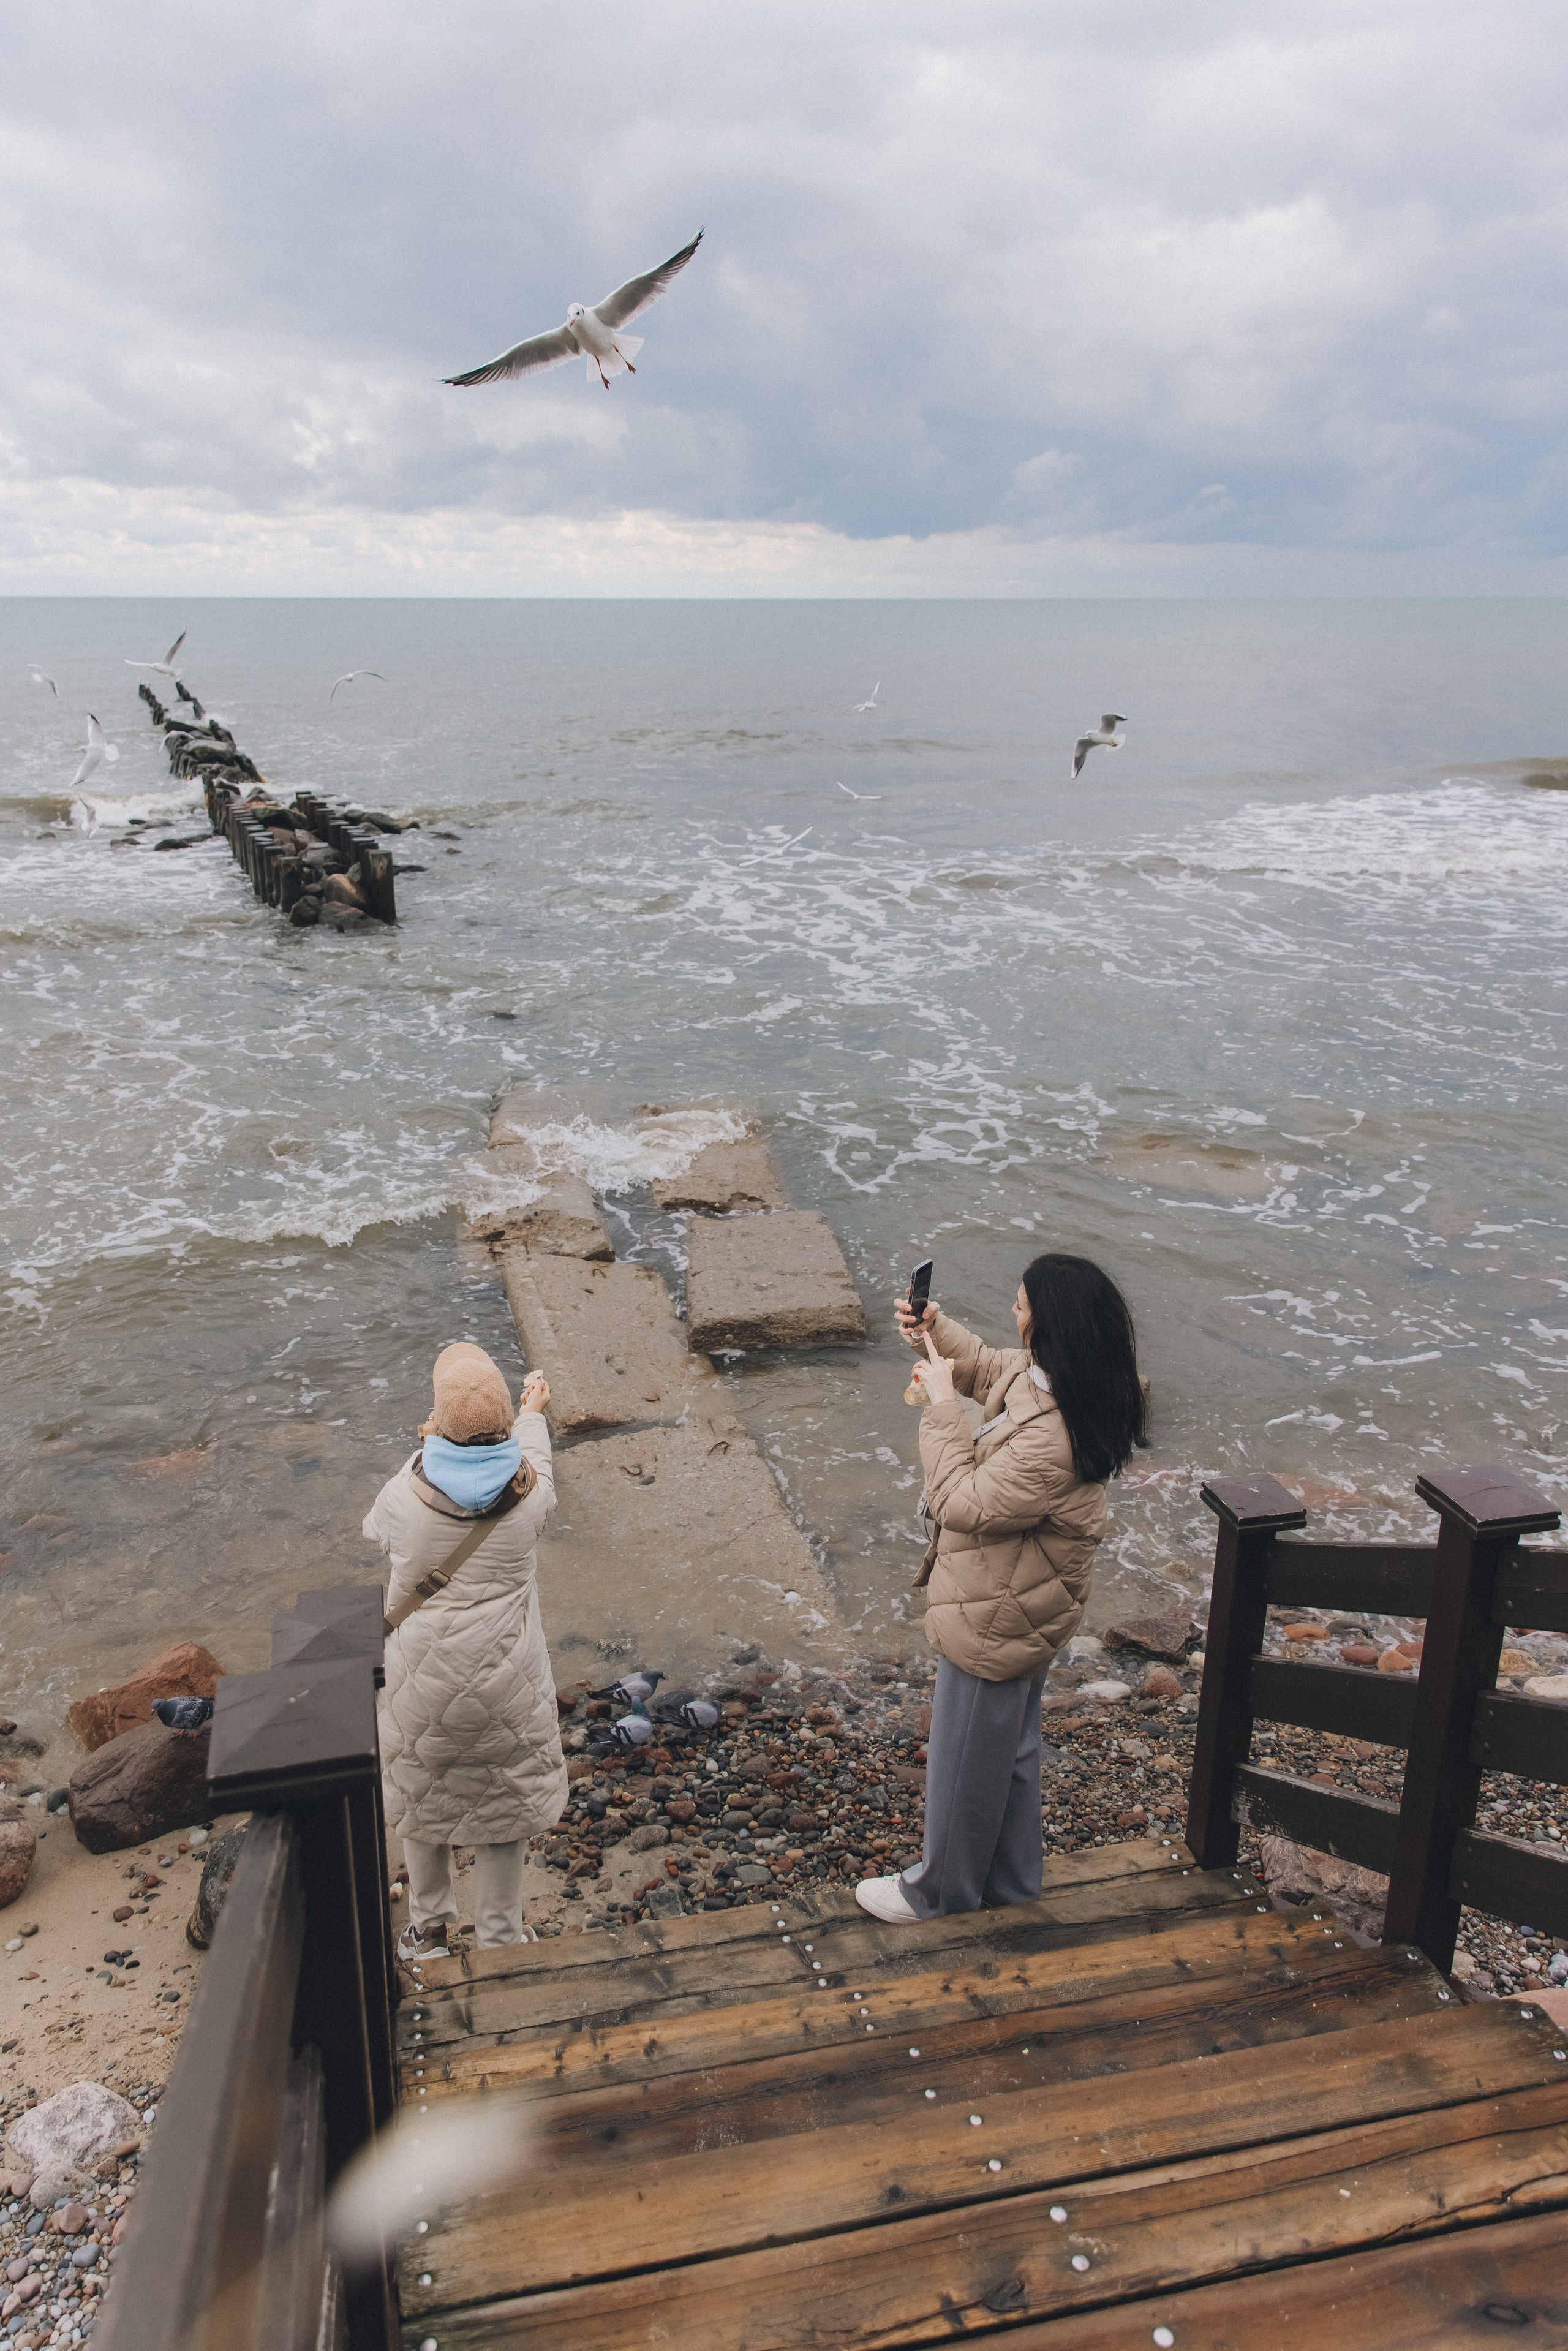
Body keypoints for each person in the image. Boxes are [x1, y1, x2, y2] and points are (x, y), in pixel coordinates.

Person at [859, 1253, 1147, 1924]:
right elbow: (991, 1369)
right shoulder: (1074, 1380)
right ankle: (1013, 1885)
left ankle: (938, 1894)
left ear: (1047, 1326)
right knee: (1006, 1754)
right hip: (1025, 1600)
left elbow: (958, 1501)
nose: (1014, 1315)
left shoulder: (1051, 1440)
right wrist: (934, 1330)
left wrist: (942, 1408)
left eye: (1021, 1307)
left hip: (999, 1612)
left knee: (962, 1762)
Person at [365, 1340, 566, 1962]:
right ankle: (502, 1937)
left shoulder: (404, 1493)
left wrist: (429, 1442)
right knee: (504, 1803)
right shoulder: (531, 1497)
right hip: (508, 1683)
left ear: (437, 1422)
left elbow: (375, 1533)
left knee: (420, 1797)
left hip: (421, 1684)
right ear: (505, 1419)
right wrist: (533, 1416)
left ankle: (428, 1932)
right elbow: (536, 1464)